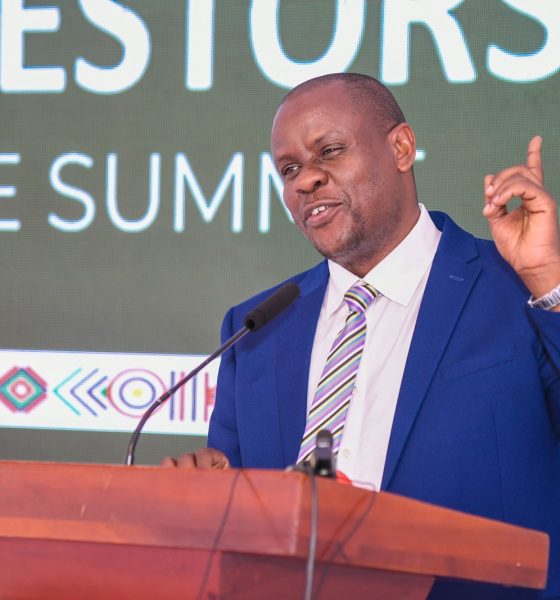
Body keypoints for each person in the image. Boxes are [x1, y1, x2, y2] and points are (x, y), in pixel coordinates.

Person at [164, 73, 560, 599]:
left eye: (329, 151)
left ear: (401, 148)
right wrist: (212, 495)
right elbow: (238, 521)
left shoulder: (519, 288)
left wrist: (548, 279)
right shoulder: (256, 328)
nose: (306, 180)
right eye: (288, 169)